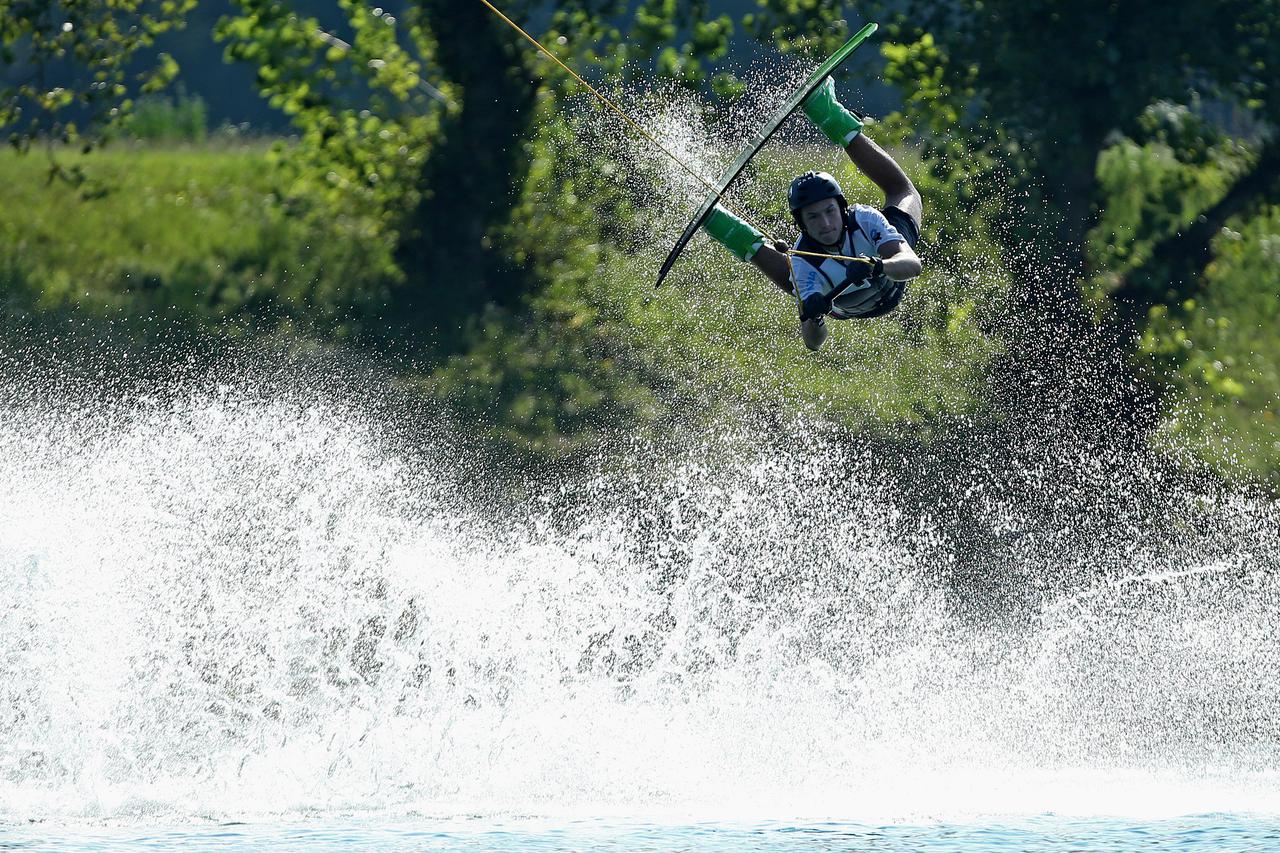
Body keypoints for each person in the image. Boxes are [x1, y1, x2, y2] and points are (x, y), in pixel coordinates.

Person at [700, 78, 922, 351]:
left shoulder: (864, 218)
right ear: (802, 224)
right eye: (813, 217)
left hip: (891, 278)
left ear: (842, 208)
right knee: (793, 275)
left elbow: (912, 265)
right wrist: (813, 316)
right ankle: (721, 224)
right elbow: (813, 343)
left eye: (830, 211)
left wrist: (878, 265)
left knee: (903, 192)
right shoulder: (805, 258)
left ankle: (828, 114)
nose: (826, 223)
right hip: (848, 308)